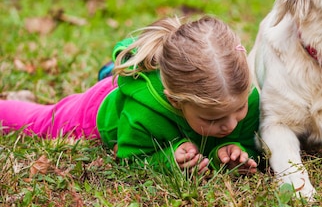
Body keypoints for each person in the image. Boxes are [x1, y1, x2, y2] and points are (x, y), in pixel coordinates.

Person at [0, 15, 260, 175]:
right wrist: (168, 159)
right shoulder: (143, 115)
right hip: (98, 108)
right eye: (212, 119)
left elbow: (246, 140)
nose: (230, 124)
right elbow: (128, 156)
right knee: (42, 120)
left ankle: (113, 70)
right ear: (175, 101)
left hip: (150, 87)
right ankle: (114, 75)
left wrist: (231, 151)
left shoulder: (243, 96)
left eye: (238, 111)